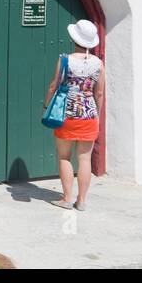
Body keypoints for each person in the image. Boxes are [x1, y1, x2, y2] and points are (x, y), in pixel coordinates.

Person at [46, 19, 105, 210]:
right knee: (85, 159)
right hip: (89, 115)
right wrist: (97, 114)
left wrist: (47, 104)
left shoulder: (65, 60)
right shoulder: (98, 63)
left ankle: (67, 198)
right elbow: (100, 92)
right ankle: (82, 201)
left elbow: (54, 85)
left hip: (67, 114)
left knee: (64, 156)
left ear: (74, 38)